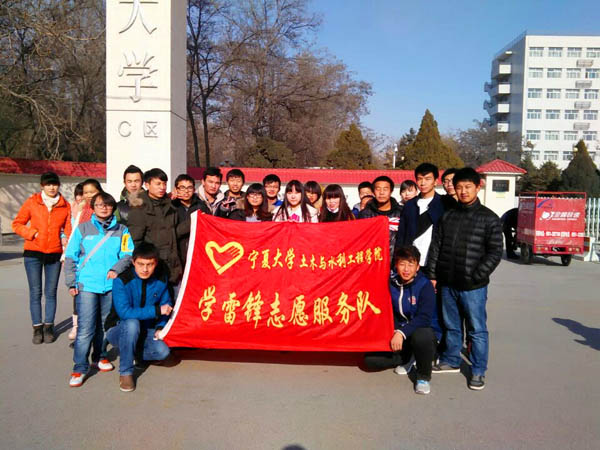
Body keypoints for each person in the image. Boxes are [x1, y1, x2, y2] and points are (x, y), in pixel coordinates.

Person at [426, 168, 503, 391]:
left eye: (468, 187)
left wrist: (477, 275)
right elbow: (436, 246)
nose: (463, 191)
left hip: (473, 286)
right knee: (451, 325)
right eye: (459, 187)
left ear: (478, 187)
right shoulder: (447, 216)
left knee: (476, 329)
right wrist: (433, 274)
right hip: (448, 282)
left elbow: (495, 252)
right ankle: (451, 359)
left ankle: (478, 369)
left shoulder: (489, 218)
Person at [64, 192, 133, 387]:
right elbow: (71, 256)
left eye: (108, 205)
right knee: (86, 327)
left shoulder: (122, 230)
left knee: (105, 324)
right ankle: (79, 367)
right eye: (100, 205)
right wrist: (71, 282)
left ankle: (100, 356)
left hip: (110, 285)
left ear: (113, 208)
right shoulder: (83, 229)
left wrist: (116, 269)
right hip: (87, 285)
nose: (104, 208)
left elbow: (127, 254)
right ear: (93, 208)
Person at [364, 246, 441, 395]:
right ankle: (409, 357)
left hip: (424, 331)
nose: (406, 269)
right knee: (370, 361)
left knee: (421, 336)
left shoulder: (425, 286)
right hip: (401, 333)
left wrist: (401, 332)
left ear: (417, 267)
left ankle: (423, 376)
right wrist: (394, 330)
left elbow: (424, 318)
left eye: (411, 264)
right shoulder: (391, 283)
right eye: (402, 264)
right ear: (396, 265)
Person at [12, 172, 72, 344]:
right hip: (33, 253)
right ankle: (37, 328)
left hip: (54, 253)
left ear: (58, 185)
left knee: (51, 292)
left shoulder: (65, 205)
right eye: (48, 184)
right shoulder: (32, 202)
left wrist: (65, 242)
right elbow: (17, 224)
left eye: (55, 184)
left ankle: (49, 327)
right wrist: (33, 233)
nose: (52, 187)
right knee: (35, 291)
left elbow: (68, 229)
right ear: (42, 186)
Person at [105, 243, 173, 392]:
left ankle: (133, 353)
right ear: (133, 262)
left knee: (163, 352)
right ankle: (126, 372)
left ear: (156, 263)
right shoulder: (122, 280)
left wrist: (160, 326)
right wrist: (156, 310)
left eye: (150, 264)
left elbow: (166, 306)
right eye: (141, 264)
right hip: (119, 329)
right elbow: (125, 313)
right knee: (132, 323)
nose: (145, 269)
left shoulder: (161, 280)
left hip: (145, 330)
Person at [128, 168, 186, 288]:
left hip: (173, 265)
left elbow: (175, 232)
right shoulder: (139, 208)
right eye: (158, 184)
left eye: (164, 184)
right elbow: (136, 240)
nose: (162, 187)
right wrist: (146, 263)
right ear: (147, 185)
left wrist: (194, 221)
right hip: (152, 266)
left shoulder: (170, 205)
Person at [395, 163, 445, 269]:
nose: (423, 183)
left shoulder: (443, 204)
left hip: (434, 263)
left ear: (436, 181)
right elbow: (401, 235)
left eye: (427, 179)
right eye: (419, 179)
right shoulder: (409, 205)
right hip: (410, 263)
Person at [358, 176, 403, 257]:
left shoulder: (401, 212)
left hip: (396, 259)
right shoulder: (365, 215)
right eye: (378, 189)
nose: (381, 192)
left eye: (385, 189)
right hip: (373, 258)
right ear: (373, 192)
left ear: (391, 191)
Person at [66, 182, 85, 340]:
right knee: (75, 290)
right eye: (78, 195)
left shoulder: (89, 211)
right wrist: (63, 237)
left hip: (86, 254)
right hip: (73, 254)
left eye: (82, 195)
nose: (80, 198)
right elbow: (66, 228)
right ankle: (76, 325)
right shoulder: (71, 209)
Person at [171, 174, 204, 260]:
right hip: (176, 254)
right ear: (176, 189)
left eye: (189, 188)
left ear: (194, 189)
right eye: (182, 187)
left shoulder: (202, 207)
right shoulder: (171, 207)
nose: (186, 191)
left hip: (196, 254)